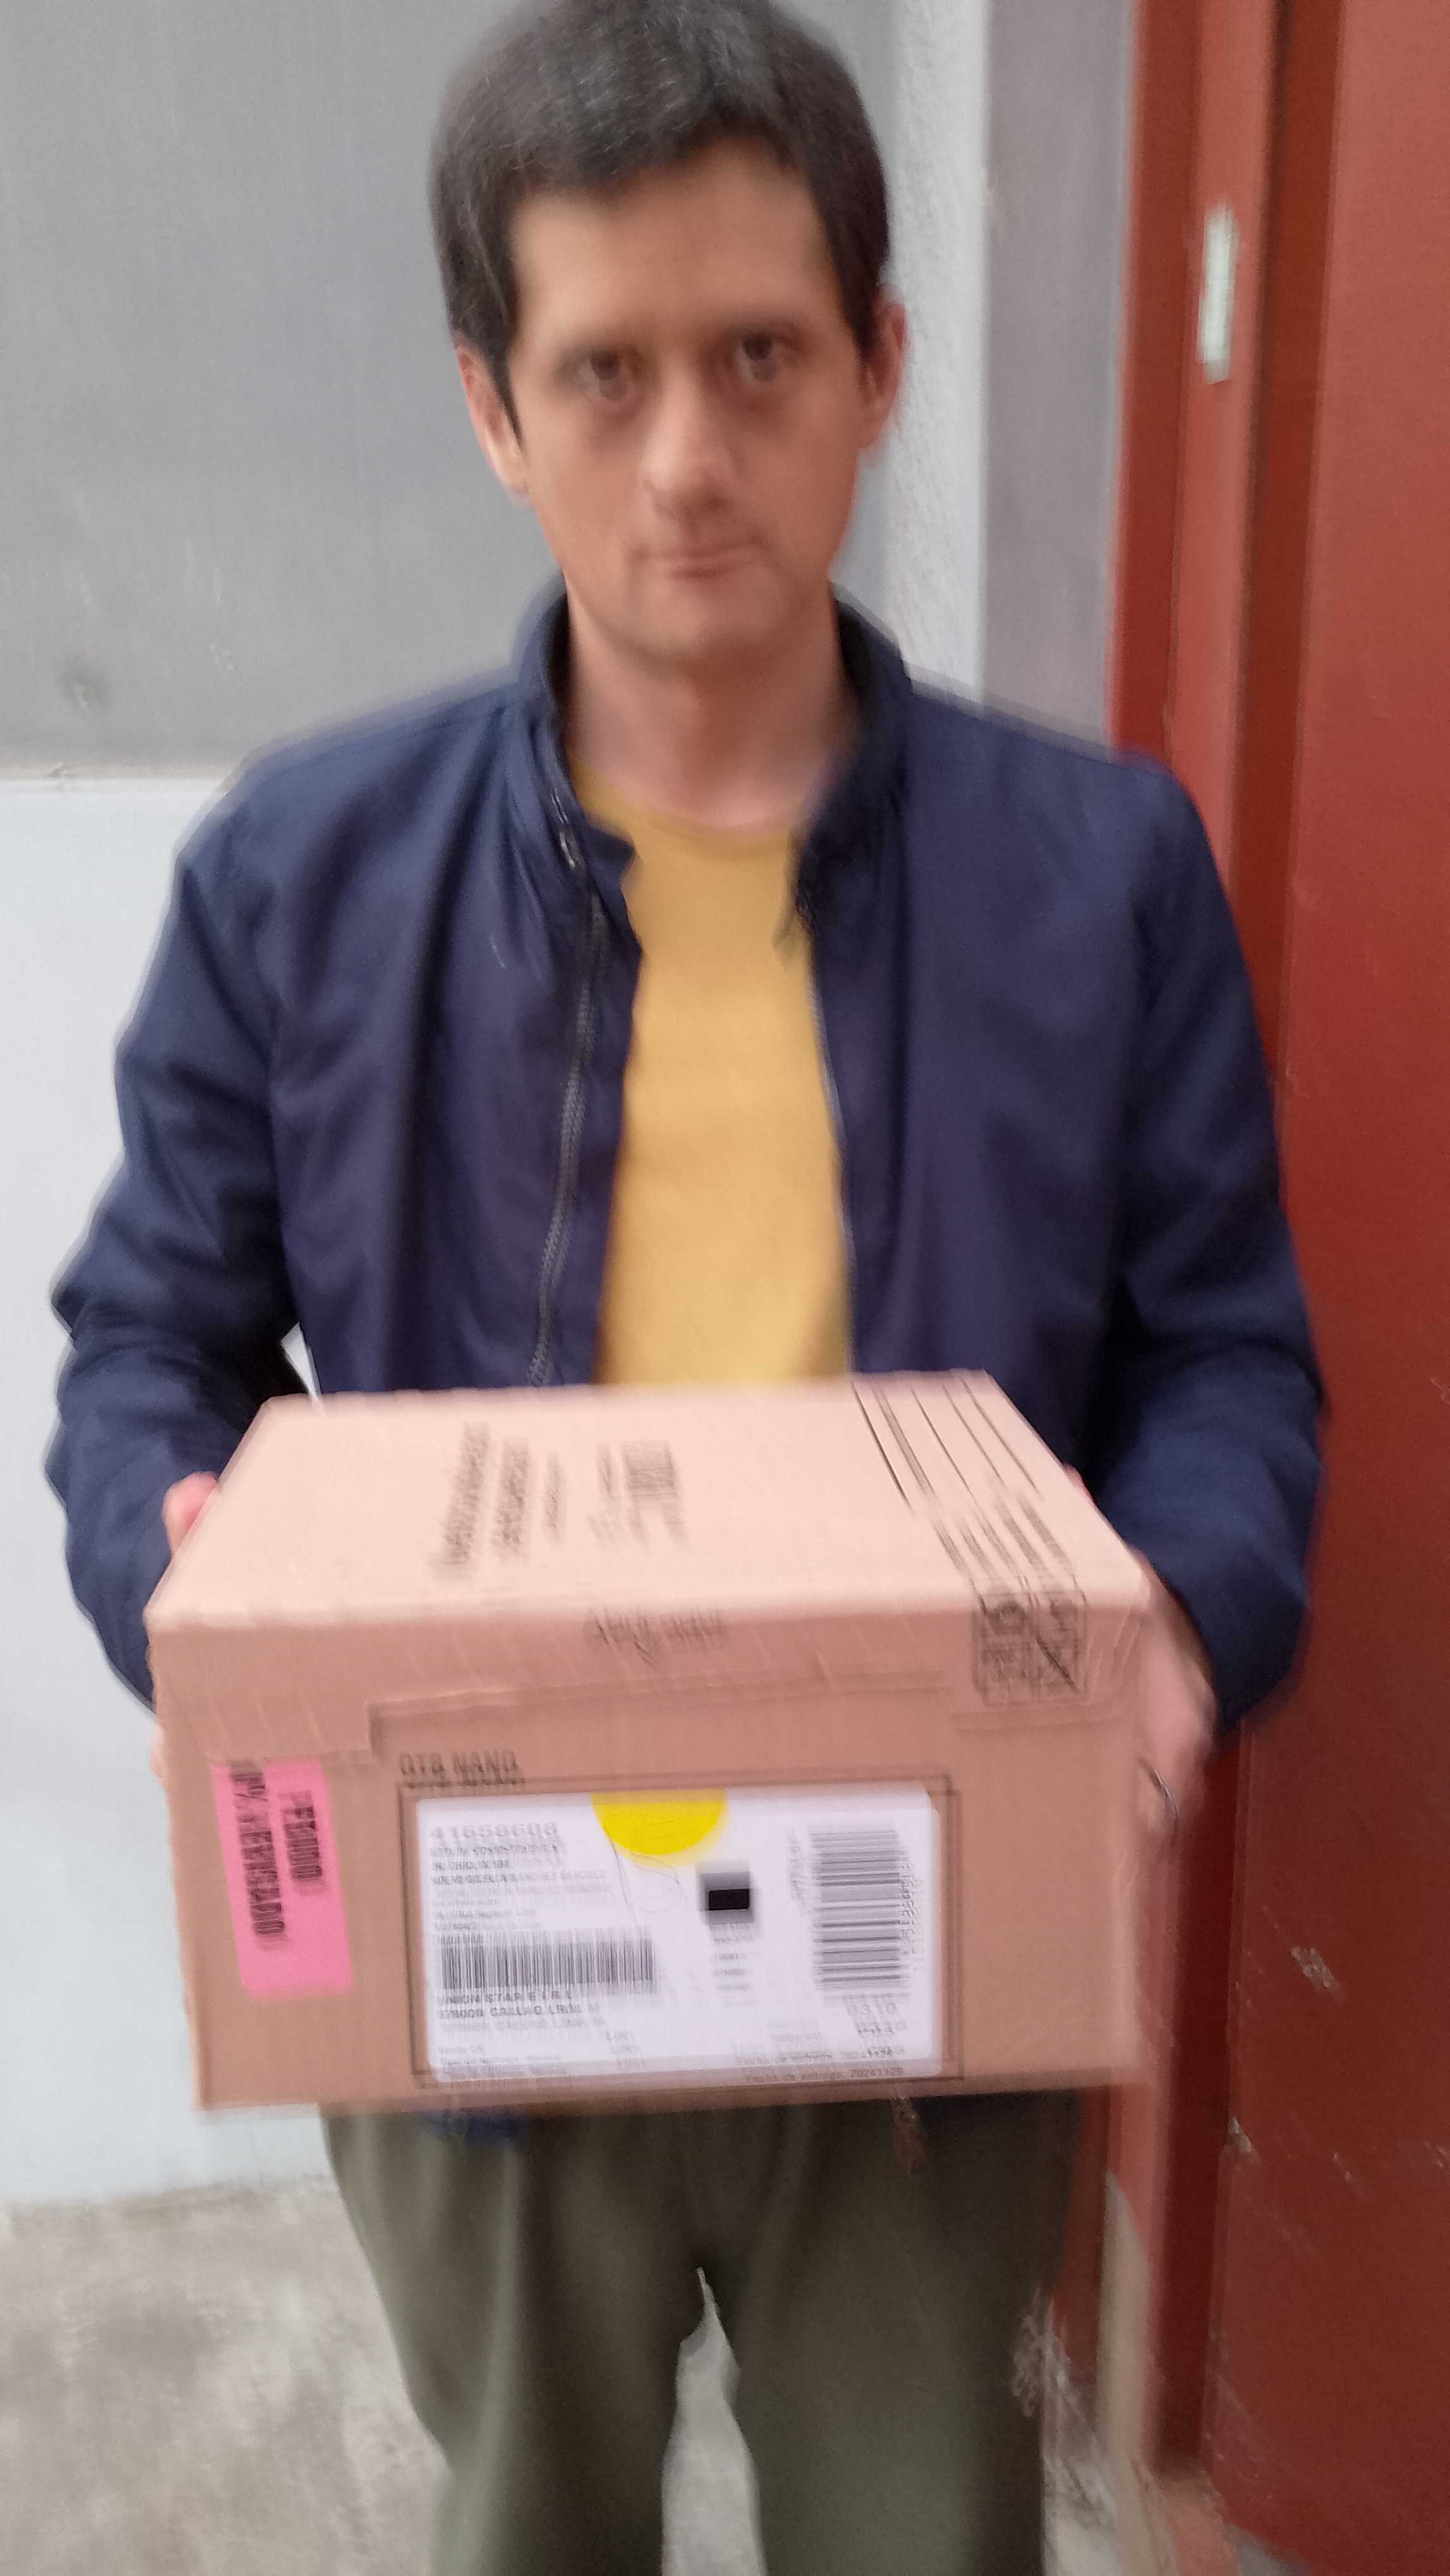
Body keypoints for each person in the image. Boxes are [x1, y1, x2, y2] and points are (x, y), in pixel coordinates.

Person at [47, 1, 1321, 2568]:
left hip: (919, 1938)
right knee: (533, 2522)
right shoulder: (307, 873)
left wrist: (1184, 1612)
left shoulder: (1098, 877)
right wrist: (188, 1570)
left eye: (758, 358)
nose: (688, 461)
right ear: (492, 411)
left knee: (919, 2526)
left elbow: (1218, 1349)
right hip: (485, 1942)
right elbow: (152, 1343)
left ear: (880, 366)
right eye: (602, 374)